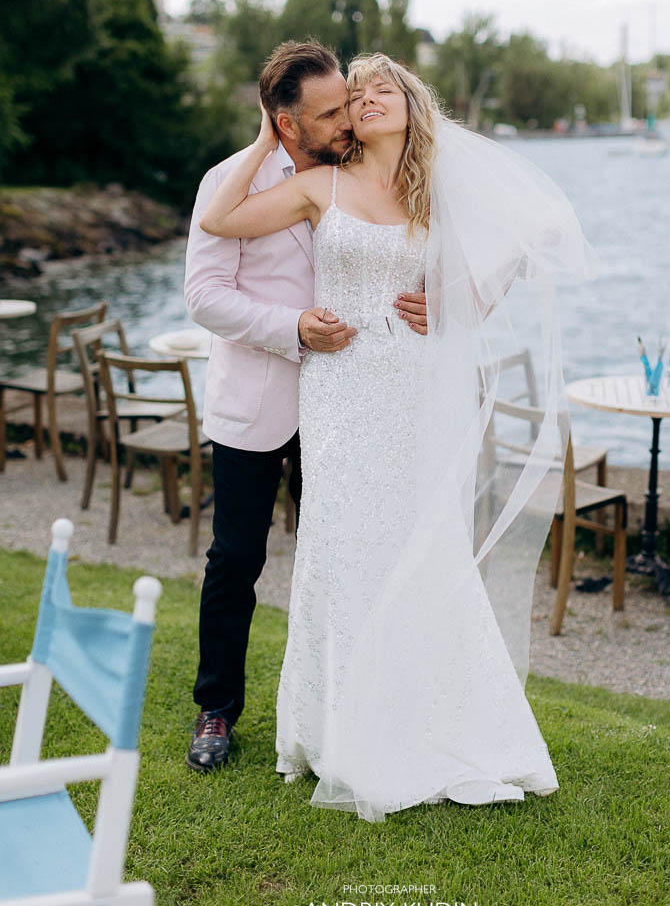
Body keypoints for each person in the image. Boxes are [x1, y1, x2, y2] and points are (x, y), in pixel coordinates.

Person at [200, 53, 596, 821]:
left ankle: (440, 725)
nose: (367, 100)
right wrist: (262, 135)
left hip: (412, 389)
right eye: (357, 94)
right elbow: (219, 221)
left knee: (420, 546)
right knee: (342, 548)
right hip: (340, 392)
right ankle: (339, 732)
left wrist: (451, 298)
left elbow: (527, 235)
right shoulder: (320, 186)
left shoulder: (433, 193)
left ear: (413, 106)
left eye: (382, 89)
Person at [183, 42, 427, 772]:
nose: (347, 119)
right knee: (235, 560)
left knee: (347, 554)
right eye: (330, 113)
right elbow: (205, 297)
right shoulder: (229, 182)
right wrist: (292, 329)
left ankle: (347, 705)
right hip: (257, 405)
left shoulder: (356, 172)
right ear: (287, 124)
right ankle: (217, 711)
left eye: (349, 104)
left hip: (351, 402)